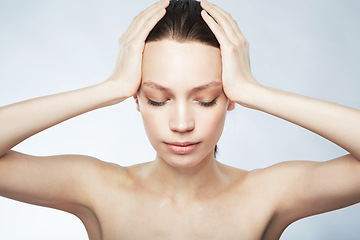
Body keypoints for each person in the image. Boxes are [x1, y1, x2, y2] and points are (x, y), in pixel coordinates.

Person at [0, 0, 359, 239]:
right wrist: (109, 88)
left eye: (206, 99)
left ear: (229, 99)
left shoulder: (268, 195)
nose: (182, 122)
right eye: (158, 99)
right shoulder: (96, 188)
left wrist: (253, 91)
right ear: (136, 99)